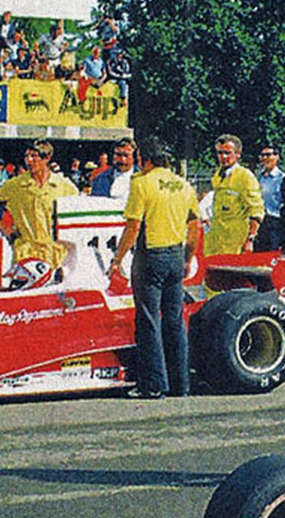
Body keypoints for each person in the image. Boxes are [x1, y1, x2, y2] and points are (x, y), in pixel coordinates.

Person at [110, 139, 199, 399]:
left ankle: (153, 384)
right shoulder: (184, 185)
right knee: (175, 320)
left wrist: (117, 259)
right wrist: (186, 258)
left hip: (150, 256)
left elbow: (133, 227)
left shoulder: (141, 183)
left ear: (145, 160)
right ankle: (181, 383)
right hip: (175, 254)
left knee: (148, 320)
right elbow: (194, 228)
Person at [0, 140, 77, 284]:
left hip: (54, 254)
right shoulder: (16, 184)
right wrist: (5, 229)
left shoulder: (64, 186)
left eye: (34, 156)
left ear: (47, 158)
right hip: (26, 252)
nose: (28, 161)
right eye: (26, 156)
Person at [204, 134, 263, 257]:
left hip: (236, 242)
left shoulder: (245, 176)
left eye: (227, 153)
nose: (223, 157)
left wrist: (250, 239)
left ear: (238, 154)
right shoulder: (218, 175)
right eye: (220, 153)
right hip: (215, 241)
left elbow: (256, 211)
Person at [253, 145, 285, 251]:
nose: (265, 158)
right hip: (260, 222)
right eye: (262, 155)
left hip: (274, 222)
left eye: (268, 155)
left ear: (277, 156)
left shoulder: (282, 178)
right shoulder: (258, 178)